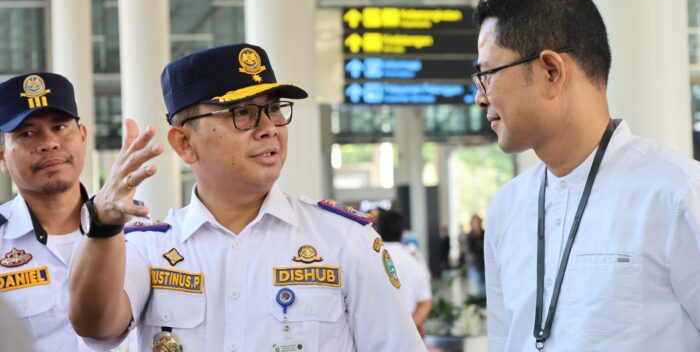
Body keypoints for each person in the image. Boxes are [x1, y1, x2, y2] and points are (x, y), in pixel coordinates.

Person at [69, 43, 426, 351]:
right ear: (184, 143)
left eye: (273, 109)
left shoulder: (345, 239)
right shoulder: (149, 248)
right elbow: (97, 326)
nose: (268, 127)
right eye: (242, 113)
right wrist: (102, 225)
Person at [473, 0, 700, 351]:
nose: (481, 98)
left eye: (488, 75)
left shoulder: (676, 194)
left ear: (551, 70)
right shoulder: (507, 209)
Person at [0, 73, 131, 351]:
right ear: (2, 157)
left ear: (83, 136)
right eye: (27, 133)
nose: (49, 143)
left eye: (59, 127)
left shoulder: (137, 229)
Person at [375, 210, 432, 338]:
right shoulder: (415, 260)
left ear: (376, 231)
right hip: (408, 339)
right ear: (402, 233)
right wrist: (407, 331)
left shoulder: (367, 259)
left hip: (376, 337)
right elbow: (425, 303)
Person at [465, 214, 484, 297]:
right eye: (474, 222)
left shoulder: (485, 234)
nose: (476, 224)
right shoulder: (470, 236)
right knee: (477, 286)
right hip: (474, 264)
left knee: (484, 285)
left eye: (478, 222)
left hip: (484, 264)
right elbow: (470, 250)